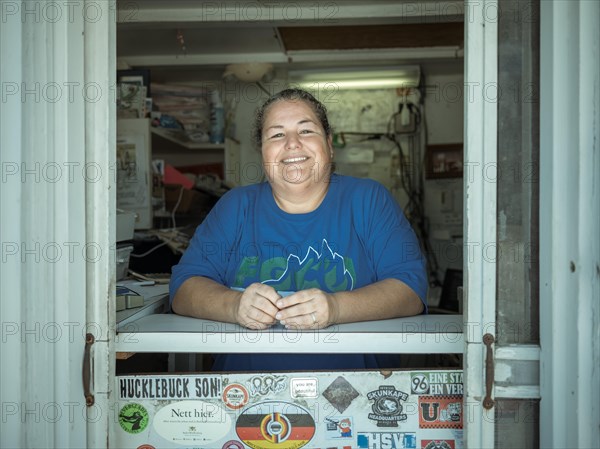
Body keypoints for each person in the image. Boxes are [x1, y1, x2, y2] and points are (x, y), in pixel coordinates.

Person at [170, 88, 427, 372]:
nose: (292, 143)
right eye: (277, 134)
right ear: (262, 151)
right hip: (242, 397)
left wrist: (336, 308)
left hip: (359, 399)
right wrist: (233, 306)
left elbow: (410, 291)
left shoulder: (368, 200)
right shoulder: (236, 206)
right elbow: (183, 289)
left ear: (329, 144)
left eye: (306, 131)